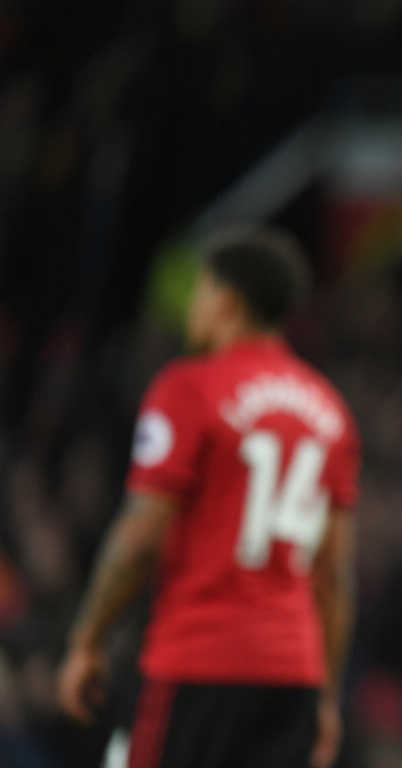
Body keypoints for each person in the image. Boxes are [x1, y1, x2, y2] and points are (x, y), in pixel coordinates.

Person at [57, 229, 361, 768]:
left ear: (228, 300)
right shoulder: (329, 411)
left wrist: (87, 641)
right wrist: (327, 699)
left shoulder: (189, 388)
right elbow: (333, 573)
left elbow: (140, 537)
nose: (193, 307)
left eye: (201, 290)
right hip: (291, 676)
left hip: (197, 660)